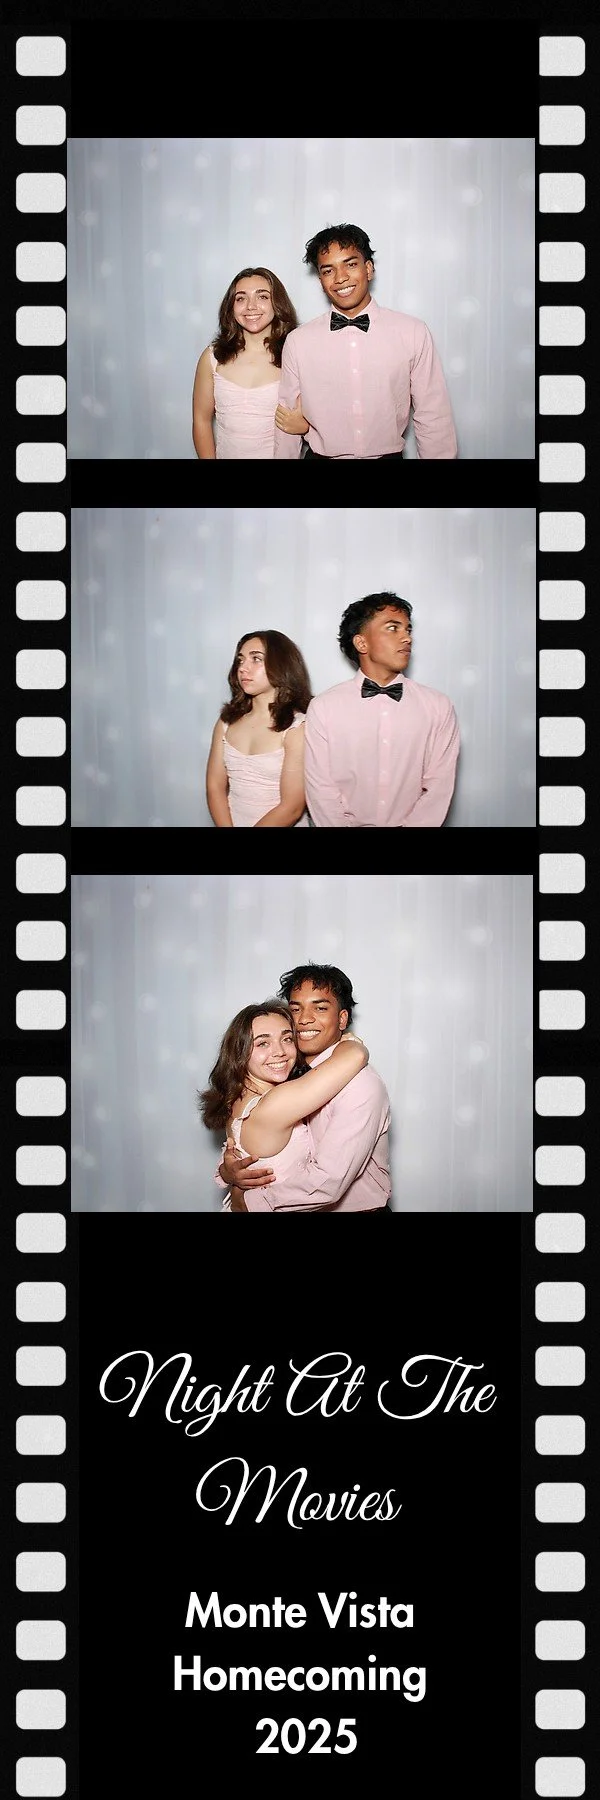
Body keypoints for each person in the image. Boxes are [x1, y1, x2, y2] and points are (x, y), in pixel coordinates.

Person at [273, 223, 457, 461]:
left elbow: (433, 415)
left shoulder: (412, 332)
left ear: (368, 269)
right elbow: (286, 422)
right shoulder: (299, 341)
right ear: (320, 280)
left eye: (350, 264)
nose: (340, 278)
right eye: (328, 270)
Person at [217, 963, 392, 1212]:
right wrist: (228, 1172)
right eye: (295, 1009)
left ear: (342, 1019)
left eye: (320, 1008)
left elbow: (328, 1183)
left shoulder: (360, 1085)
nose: (304, 1019)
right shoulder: (287, 1078)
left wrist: (248, 1202)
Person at [303, 592, 460, 828]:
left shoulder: (438, 706)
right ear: (361, 643)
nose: (407, 638)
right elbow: (320, 789)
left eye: (408, 630)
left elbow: (439, 787)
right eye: (393, 628)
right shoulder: (324, 707)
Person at [199, 998, 369, 1211]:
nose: (279, 1051)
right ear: (239, 1052)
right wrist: (347, 1041)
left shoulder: (239, 1097)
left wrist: (227, 1173)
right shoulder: (273, 1105)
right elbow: (356, 1055)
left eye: (287, 1039)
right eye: (263, 1043)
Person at [192, 267, 308, 459]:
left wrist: (306, 427)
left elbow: (322, 419)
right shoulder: (212, 357)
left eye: (262, 296)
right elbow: (201, 421)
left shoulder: (296, 356)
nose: (250, 306)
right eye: (241, 298)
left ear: (277, 303)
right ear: (231, 306)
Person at [206, 630, 312, 828]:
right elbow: (214, 788)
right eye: (240, 660)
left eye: (256, 659)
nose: (243, 668)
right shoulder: (226, 722)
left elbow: (292, 808)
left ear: (281, 665)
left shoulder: (297, 727)